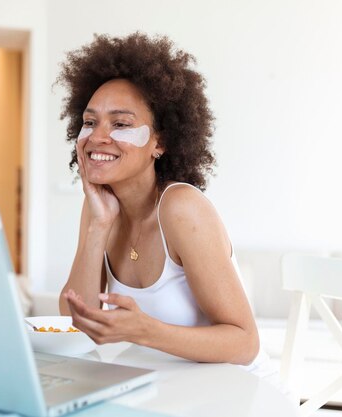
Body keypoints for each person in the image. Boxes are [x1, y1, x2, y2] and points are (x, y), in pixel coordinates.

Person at [57, 32, 269, 370]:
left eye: (121, 123)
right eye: (90, 122)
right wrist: (98, 227)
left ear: (160, 142)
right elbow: (75, 321)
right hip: (164, 388)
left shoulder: (181, 208)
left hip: (235, 389)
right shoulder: (100, 206)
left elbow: (245, 344)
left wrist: (146, 332)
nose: (97, 137)